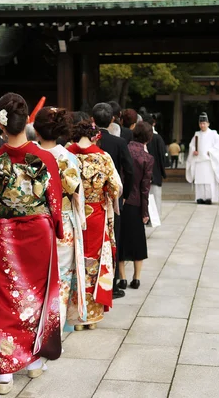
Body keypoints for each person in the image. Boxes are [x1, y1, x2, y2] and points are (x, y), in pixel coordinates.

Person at [0, 93, 64, 395]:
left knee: (6, 298)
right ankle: (33, 362)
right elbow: (54, 203)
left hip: (4, 235)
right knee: (36, 296)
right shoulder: (44, 159)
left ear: (1, 125)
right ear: (26, 121)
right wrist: (54, 227)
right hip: (39, 234)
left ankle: (6, 370)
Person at [33, 106, 87, 332]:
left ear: (36, 131)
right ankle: (53, 333)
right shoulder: (69, 158)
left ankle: (34, 330)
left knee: (35, 279)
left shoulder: (30, 156)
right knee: (62, 280)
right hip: (63, 224)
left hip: (34, 223)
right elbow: (77, 195)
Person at [67, 121, 122, 329]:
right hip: (96, 214)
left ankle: (76, 316)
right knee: (95, 263)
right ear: (94, 136)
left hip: (73, 215)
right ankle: (91, 315)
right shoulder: (103, 157)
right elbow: (115, 188)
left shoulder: (66, 155)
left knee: (75, 261)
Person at [94, 103, 134, 299]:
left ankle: (92, 280)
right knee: (112, 237)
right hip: (111, 197)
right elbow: (129, 170)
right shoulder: (118, 143)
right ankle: (113, 282)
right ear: (112, 120)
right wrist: (124, 193)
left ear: (93, 120)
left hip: (90, 197)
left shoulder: (89, 143)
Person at [118, 122, 154, 289]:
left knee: (121, 238)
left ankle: (122, 278)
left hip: (120, 201)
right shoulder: (147, 158)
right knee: (138, 241)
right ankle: (137, 278)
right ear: (148, 137)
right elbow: (145, 188)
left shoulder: (123, 149)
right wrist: (145, 212)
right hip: (137, 203)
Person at [185, 112, 219, 204]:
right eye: (201, 123)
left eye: (204, 123)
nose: (202, 125)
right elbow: (192, 146)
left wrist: (210, 152)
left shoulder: (214, 135)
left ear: (208, 124)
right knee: (199, 181)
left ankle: (209, 198)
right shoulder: (196, 135)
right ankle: (200, 197)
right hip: (199, 161)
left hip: (209, 162)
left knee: (208, 181)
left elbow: (218, 148)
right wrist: (193, 151)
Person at [147, 125, 167, 219]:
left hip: (144, 172)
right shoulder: (157, 138)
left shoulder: (137, 137)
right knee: (155, 198)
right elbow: (162, 156)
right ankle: (155, 218)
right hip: (155, 171)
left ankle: (147, 217)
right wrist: (163, 172)